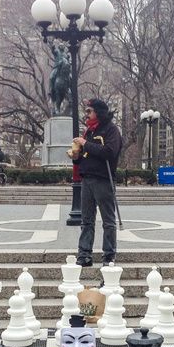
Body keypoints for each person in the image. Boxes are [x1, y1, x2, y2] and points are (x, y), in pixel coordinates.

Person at [71, 98, 123, 267]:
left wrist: (86, 144)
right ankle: (84, 254)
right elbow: (86, 157)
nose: (86, 115)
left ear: (98, 112)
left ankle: (109, 256)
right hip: (87, 179)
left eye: (89, 111)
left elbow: (109, 152)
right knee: (86, 220)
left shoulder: (111, 130)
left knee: (108, 220)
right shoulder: (89, 131)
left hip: (103, 179)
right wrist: (77, 158)